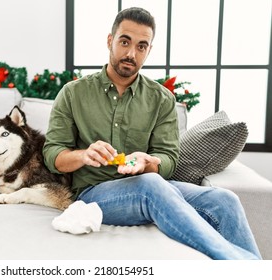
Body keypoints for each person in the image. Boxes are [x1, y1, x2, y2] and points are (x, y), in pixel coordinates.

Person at [43, 7, 261, 260]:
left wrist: (150, 163)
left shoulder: (161, 99)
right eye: (125, 42)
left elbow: (168, 159)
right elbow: (52, 155)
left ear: (149, 50)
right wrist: (84, 155)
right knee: (151, 185)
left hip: (149, 184)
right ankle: (244, 267)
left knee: (225, 200)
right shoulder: (73, 93)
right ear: (110, 40)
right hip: (94, 193)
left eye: (141, 46)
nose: (131, 53)